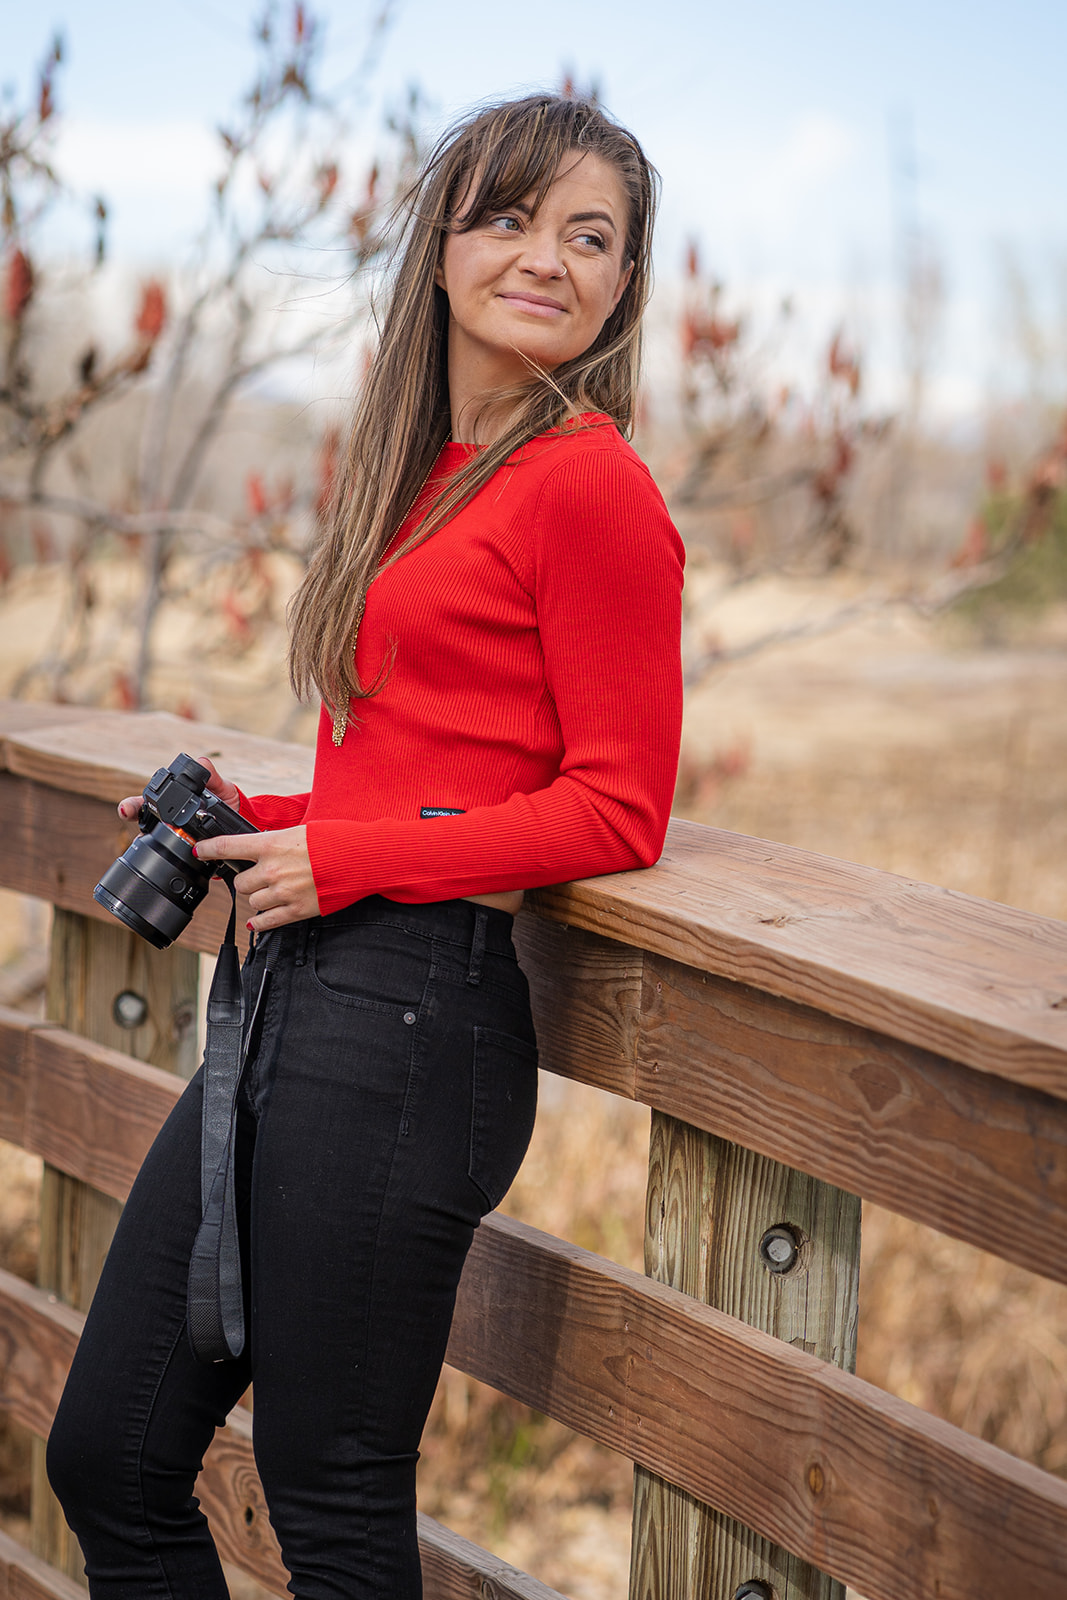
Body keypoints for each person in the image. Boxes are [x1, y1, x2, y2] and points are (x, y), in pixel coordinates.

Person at [46, 93, 684, 1599]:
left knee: (327, 1502)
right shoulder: (420, 468)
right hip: (299, 993)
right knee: (111, 1457)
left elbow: (619, 808)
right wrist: (254, 826)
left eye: (593, 237)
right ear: (447, 245)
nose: (551, 259)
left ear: (625, 286)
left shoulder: (588, 481)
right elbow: (423, 768)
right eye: (513, 218)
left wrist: (351, 862)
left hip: (414, 1026)